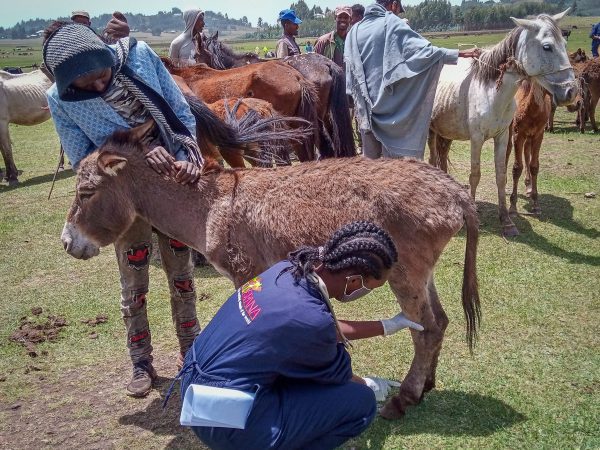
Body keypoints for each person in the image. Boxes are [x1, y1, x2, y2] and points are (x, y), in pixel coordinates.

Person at [43, 22, 203, 397]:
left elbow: (180, 111)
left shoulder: (140, 57)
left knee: (182, 275)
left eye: (101, 76)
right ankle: (141, 361)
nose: (100, 87)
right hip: (120, 201)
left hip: (171, 191)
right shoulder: (58, 99)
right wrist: (138, 154)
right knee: (134, 284)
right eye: (87, 86)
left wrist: (186, 155)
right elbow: (82, 159)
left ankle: (192, 353)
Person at [174, 221, 423, 450]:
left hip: (196, 394)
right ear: (355, 281)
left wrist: (387, 325)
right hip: (225, 422)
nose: (366, 291)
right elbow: (338, 375)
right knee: (360, 403)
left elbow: (319, 330)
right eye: (371, 286)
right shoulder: (311, 320)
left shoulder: (286, 271)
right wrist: (369, 385)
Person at [345, 0, 479, 160]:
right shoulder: (391, 22)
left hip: (366, 114)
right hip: (390, 115)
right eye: (398, 10)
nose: (397, 14)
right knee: (395, 172)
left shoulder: (353, 32)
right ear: (393, 5)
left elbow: (351, 79)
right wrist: (460, 53)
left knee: (371, 169)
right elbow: (424, 52)